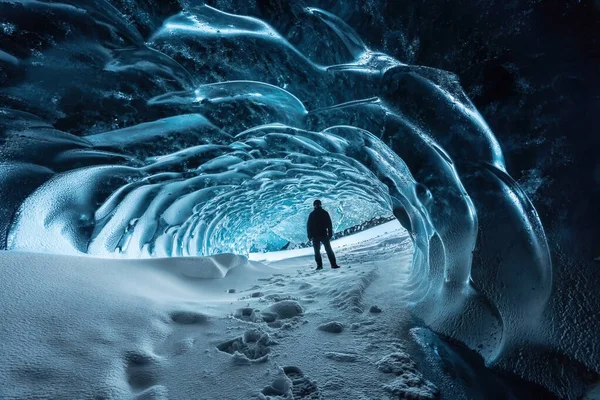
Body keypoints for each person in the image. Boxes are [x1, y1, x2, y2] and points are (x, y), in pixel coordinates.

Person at [307, 199, 340, 270]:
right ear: (320, 205)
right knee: (328, 250)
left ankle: (319, 266)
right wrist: (330, 233)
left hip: (316, 236)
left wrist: (309, 236)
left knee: (317, 251)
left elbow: (309, 226)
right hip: (324, 234)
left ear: (314, 206)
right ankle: (333, 264)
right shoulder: (324, 212)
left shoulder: (312, 214)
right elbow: (329, 224)